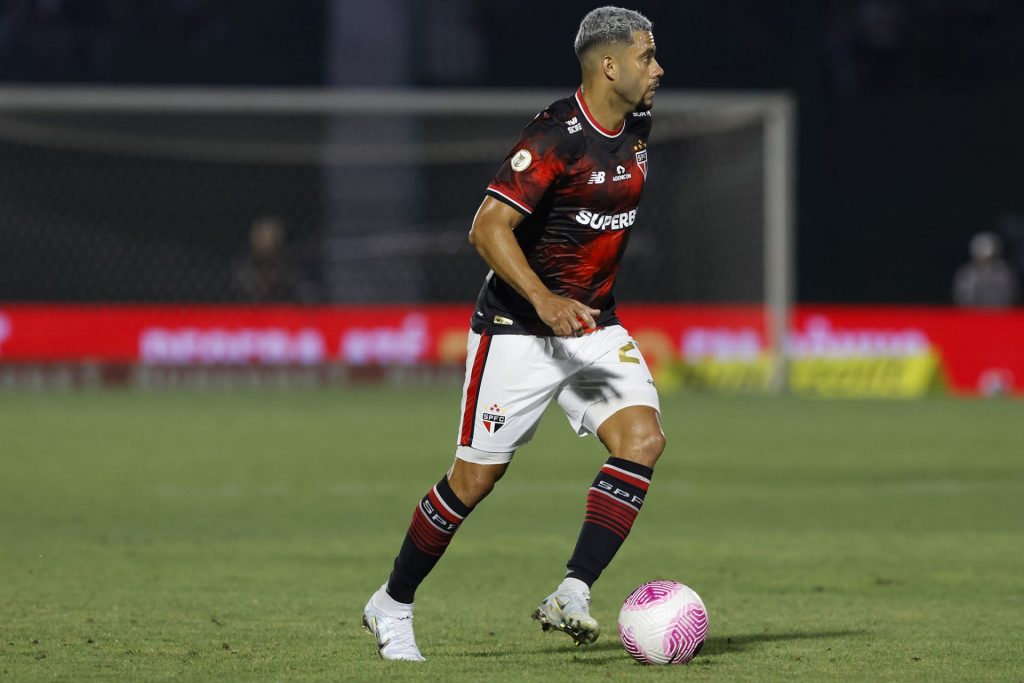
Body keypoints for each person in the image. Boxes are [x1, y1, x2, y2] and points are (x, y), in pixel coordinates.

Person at [362, 6, 665, 661]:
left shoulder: (638, 122)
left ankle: (574, 591)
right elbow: (486, 227)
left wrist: (572, 305)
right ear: (608, 65)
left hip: (590, 324)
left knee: (641, 439)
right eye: (646, 56)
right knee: (472, 480)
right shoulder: (554, 135)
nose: (658, 68)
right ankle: (392, 602)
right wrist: (544, 298)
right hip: (518, 327)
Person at [952, 231, 1020, 308]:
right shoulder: (966, 274)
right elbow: (962, 298)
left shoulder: (1004, 273)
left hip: (1000, 316)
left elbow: (1010, 296)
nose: (986, 262)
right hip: (973, 316)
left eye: (990, 258)